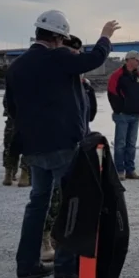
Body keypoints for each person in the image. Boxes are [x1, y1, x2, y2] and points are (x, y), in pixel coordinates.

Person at [5, 10, 119, 278]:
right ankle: (65, 269)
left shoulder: (17, 66)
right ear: (58, 38)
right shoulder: (58, 57)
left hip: (33, 147)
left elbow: (11, 107)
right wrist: (105, 36)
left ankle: (26, 266)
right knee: (71, 203)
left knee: (37, 203)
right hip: (62, 145)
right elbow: (94, 59)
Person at [38, 34, 101, 263]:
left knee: (71, 197)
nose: (75, 54)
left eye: (77, 52)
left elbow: (89, 113)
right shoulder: (56, 79)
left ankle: (66, 245)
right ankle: (46, 239)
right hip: (58, 144)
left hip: (79, 143)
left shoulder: (83, 84)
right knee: (54, 197)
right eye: (71, 50)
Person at [107, 50, 139, 180]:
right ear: (129, 60)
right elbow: (112, 93)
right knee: (120, 144)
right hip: (122, 115)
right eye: (137, 60)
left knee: (131, 144)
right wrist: (119, 109)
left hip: (136, 114)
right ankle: (119, 171)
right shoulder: (117, 75)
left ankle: (130, 170)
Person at [1, 92, 30, 187]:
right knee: (28, 144)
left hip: (13, 115)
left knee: (9, 143)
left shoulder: (12, 82)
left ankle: (8, 174)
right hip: (29, 115)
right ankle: (24, 175)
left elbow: (6, 100)